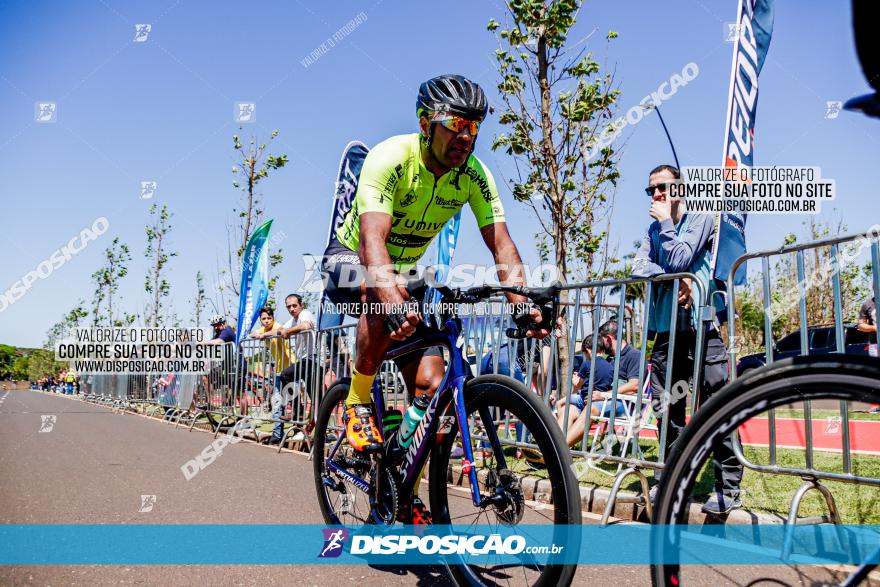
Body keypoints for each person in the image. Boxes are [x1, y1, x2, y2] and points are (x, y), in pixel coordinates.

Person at [320, 74, 549, 524]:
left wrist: (522, 300)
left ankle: (401, 487)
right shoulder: (390, 158)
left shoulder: (473, 177)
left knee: (430, 386)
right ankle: (358, 401)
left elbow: (501, 243)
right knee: (376, 287)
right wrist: (389, 295)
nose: (466, 137)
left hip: (405, 271)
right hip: (351, 257)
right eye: (455, 125)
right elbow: (373, 240)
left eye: (474, 128)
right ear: (427, 123)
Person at [632, 163, 742, 515]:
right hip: (667, 331)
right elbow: (638, 267)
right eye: (652, 190)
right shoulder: (652, 230)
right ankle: (675, 480)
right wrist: (673, 278)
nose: (657, 195)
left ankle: (728, 488)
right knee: (668, 412)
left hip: (702, 329)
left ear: (681, 188)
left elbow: (680, 255)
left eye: (663, 187)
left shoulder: (702, 218)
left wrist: (666, 225)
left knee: (717, 404)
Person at [271, 294, 318, 444]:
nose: (291, 309)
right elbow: (279, 330)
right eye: (288, 307)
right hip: (305, 361)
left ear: (301, 305)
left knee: (285, 376)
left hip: (314, 360)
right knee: (315, 397)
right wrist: (261, 334)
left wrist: (289, 332)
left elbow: (306, 326)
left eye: (294, 306)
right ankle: (303, 421)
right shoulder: (292, 320)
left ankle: (299, 413)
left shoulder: (305, 314)